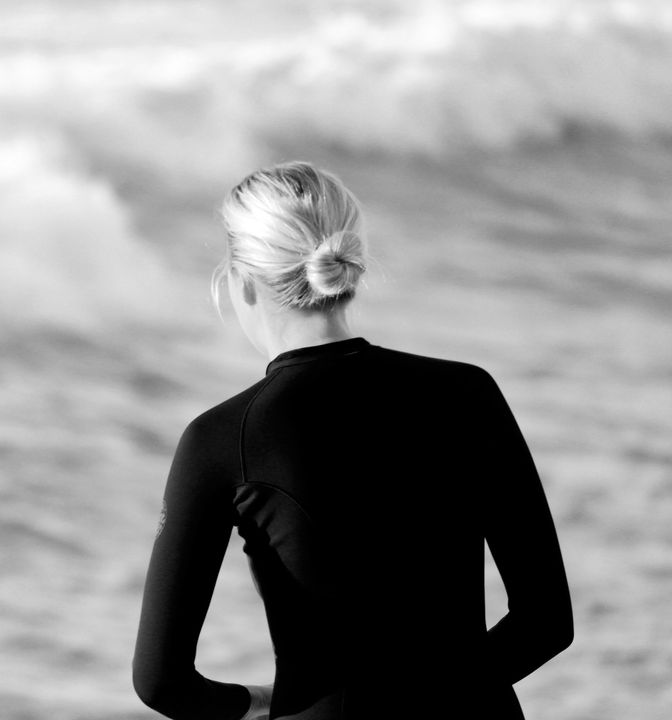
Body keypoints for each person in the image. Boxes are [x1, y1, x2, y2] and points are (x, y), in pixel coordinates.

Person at [132, 162, 573, 720]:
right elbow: (546, 622)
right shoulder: (467, 391)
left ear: (242, 281)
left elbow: (161, 682)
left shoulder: (221, 438)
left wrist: (265, 702)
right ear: (347, 268)